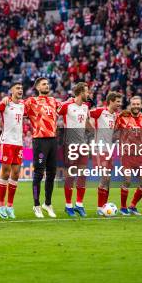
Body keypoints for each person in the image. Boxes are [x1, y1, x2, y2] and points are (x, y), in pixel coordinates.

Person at [23, 78, 61, 218]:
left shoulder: (53, 101)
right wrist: (6, 100)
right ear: (38, 87)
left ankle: (48, 203)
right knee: (39, 173)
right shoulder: (31, 101)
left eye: (47, 84)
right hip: (40, 140)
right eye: (44, 84)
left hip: (52, 139)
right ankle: (36, 205)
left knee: (52, 173)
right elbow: (17, 106)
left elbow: (67, 108)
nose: (47, 86)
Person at [57, 82, 92, 217]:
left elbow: (85, 122)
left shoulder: (85, 106)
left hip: (82, 144)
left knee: (83, 174)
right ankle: (68, 205)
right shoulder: (67, 105)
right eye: (87, 91)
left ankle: (79, 204)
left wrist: (95, 131)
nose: (88, 94)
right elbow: (55, 114)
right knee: (70, 176)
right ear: (80, 93)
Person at [0, 82, 25, 219]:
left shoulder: (24, 105)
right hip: (6, 142)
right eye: (17, 88)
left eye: (21, 88)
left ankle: (10, 206)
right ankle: (1, 205)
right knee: (5, 173)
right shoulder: (5, 103)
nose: (20, 90)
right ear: (11, 90)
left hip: (18, 143)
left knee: (16, 174)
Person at [114, 96, 142, 215]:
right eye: (134, 104)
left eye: (138, 104)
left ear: (141, 105)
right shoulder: (123, 117)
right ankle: (123, 208)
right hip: (126, 155)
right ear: (130, 105)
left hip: (140, 156)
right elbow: (113, 129)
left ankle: (132, 206)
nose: (136, 106)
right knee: (127, 180)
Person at [90, 92, 122, 215]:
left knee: (108, 180)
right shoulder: (99, 111)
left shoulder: (115, 116)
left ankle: (104, 206)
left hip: (109, 150)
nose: (119, 104)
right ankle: (99, 208)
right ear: (111, 101)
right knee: (105, 178)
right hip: (99, 149)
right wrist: (92, 127)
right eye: (117, 101)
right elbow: (87, 115)